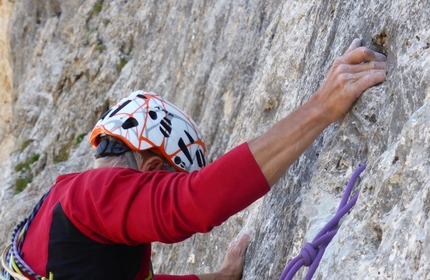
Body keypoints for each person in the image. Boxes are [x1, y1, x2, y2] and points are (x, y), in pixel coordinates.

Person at [1, 38, 387, 280]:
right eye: (166, 178)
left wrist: (219, 277)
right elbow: (194, 203)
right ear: (151, 167)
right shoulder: (94, 193)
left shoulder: (64, 212)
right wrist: (321, 108)